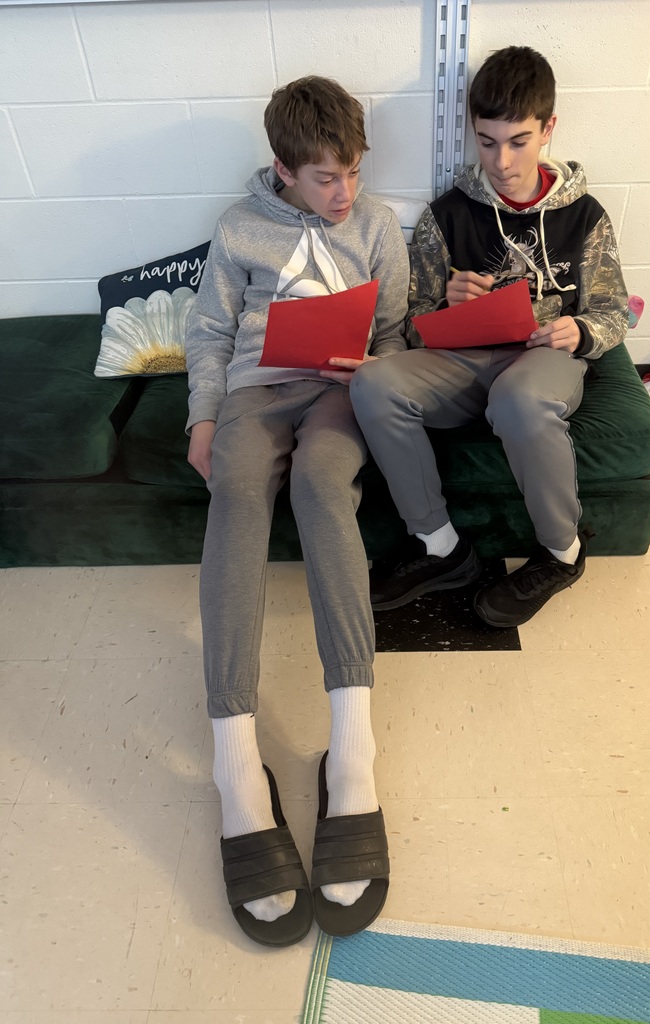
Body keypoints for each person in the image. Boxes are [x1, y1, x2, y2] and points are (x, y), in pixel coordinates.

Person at [184, 76, 408, 946]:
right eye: (324, 178)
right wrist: (203, 417)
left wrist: (375, 368)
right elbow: (210, 331)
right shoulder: (239, 227)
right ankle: (235, 763)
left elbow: (394, 333)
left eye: (352, 172)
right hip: (255, 388)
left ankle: (353, 751)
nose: (343, 192)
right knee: (237, 491)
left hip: (341, 393)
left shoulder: (377, 225)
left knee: (321, 485)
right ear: (283, 169)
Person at [350, 45, 628, 628]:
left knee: (519, 398)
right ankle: (442, 548)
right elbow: (413, 319)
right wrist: (443, 304)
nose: (501, 161)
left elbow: (613, 311)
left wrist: (578, 329)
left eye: (519, 141)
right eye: (486, 141)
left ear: (549, 128)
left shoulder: (585, 216)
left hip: (541, 360)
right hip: (462, 359)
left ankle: (563, 552)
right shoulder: (447, 214)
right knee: (374, 383)